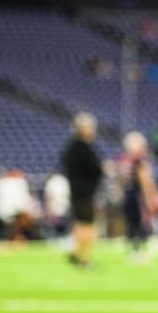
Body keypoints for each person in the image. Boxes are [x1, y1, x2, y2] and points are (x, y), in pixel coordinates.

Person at [62, 112, 103, 267]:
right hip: (85, 192)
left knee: (80, 222)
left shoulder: (70, 148)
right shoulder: (84, 148)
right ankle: (84, 258)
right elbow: (94, 168)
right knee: (88, 224)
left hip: (76, 190)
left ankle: (75, 252)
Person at [118, 131, 158, 262]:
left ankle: (134, 248)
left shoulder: (124, 159)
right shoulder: (138, 161)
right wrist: (150, 198)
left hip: (129, 194)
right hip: (137, 195)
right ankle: (138, 249)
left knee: (132, 223)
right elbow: (145, 181)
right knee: (139, 223)